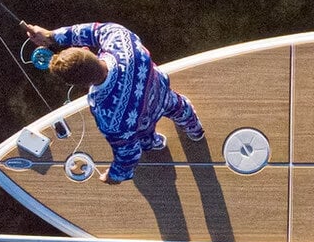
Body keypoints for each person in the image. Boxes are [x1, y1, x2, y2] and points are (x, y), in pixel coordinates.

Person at [21, 20, 204, 184]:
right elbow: (93, 31)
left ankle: (155, 144)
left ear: (81, 84)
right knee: (181, 108)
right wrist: (52, 36)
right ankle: (195, 131)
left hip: (143, 123)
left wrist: (115, 176)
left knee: (144, 139)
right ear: (87, 51)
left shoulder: (106, 115)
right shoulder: (120, 39)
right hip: (162, 93)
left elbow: (128, 155)